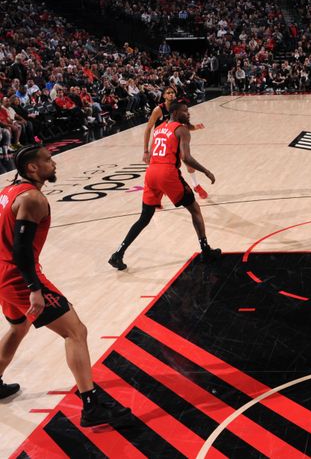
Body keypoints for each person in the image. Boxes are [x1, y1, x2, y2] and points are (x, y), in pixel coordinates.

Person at [0, 145, 131, 426]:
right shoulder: (32, 198)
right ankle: (91, 404)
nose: (54, 163)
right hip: (19, 277)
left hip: (3, 274)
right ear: (33, 168)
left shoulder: (8, 191)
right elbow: (22, 251)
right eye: (48, 160)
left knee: (18, 326)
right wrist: (34, 287)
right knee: (75, 331)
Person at [109, 101, 221, 269]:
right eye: (185, 111)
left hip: (151, 172)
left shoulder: (159, 129)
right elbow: (186, 158)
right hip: (167, 173)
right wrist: (206, 171)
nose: (188, 113)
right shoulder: (181, 130)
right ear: (174, 112)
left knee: (144, 217)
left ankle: (118, 254)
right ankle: (205, 250)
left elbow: (155, 151)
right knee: (194, 209)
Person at [142, 88, 209, 199]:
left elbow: (185, 125)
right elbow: (148, 129)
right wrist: (146, 151)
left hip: (173, 140)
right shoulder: (158, 110)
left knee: (188, 162)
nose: (171, 94)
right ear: (163, 96)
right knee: (156, 171)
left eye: (173, 92)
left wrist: (195, 127)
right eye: (168, 93)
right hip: (161, 140)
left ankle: (196, 185)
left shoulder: (178, 108)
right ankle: (154, 197)